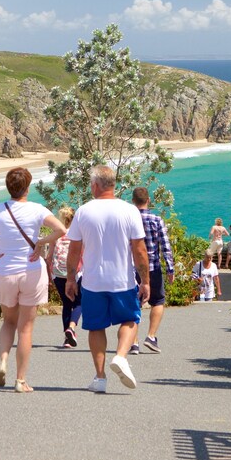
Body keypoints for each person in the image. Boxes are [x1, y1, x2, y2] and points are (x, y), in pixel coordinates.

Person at [0, 167, 66, 393]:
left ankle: (2, 361)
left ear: (9, 187)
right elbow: (61, 229)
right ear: (27, 188)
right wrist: (40, 243)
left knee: (9, 321)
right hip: (31, 271)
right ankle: (20, 380)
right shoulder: (37, 210)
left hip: (5, 271)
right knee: (26, 328)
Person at [65, 165, 149, 393]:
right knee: (131, 319)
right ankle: (121, 356)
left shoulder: (83, 211)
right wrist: (146, 280)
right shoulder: (130, 211)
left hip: (93, 281)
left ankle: (100, 378)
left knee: (95, 327)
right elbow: (139, 250)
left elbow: (74, 250)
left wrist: (71, 279)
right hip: (123, 280)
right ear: (113, 184)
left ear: (95, 185)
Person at [130, 187, 173, 354]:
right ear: (148, 200)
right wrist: (170, 269)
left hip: (131, 269)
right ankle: (151, 336)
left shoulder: (128, 220)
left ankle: (133, 342)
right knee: (158, 301)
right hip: (153, 268)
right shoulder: (156, 219)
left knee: (134, 304)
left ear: (133, 201)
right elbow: (165, 246)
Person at [46, 206, 82, 348]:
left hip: (58, 273)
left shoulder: (56, 234)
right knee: (79, 302)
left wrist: (49, 276)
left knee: (67, 304)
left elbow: (49, 257)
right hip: (75, 273)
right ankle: (71, 328)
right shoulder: (78, 233)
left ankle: (67, 339)